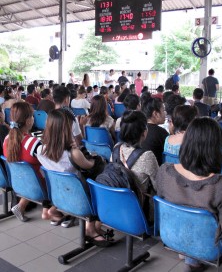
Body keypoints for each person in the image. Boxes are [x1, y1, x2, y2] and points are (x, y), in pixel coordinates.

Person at [157, 117, 222, 271]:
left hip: (172, 237)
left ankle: (190, 255)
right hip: (209, 248)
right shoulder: (219, 185)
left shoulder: (165, 172)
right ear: (217, 148)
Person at [37, 109, 112, 246]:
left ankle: (55, 210)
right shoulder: (73, 153)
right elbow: (92, 166)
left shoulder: (41, 150)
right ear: (65, 129)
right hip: (80, 198)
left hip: (59, 195)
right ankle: (90, 228)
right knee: (100, 177)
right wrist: (96, 157)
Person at [3, 102, 62, 223]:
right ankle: (48, 209)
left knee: (30, 172)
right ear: (28, 121)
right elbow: (52, 162)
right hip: (39, 187)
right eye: (32, 116)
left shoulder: (7, 139)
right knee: (58, 173)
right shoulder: (32, 143)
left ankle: (21, 206)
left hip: (19, 185)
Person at [117, 110, 158, 221]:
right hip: (140, 213)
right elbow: (158, 187)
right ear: (144, 133)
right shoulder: (147, 156)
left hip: (117, 206)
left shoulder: (116, 149)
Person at [141, 97, 169, 166]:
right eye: (163, 110)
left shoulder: (139, 129)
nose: (165, 114)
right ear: (155, 114)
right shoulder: (161, 133)